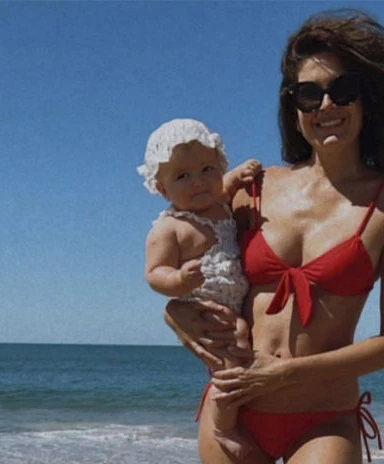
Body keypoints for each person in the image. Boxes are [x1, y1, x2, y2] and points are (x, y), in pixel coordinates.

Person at [163, 9, 384, 464]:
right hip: (235, 410)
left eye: (342, 90)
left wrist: (283, 374)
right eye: (309, 94)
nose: (326, 106)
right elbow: (191, 264)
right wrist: (174, 315)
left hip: (323, 417)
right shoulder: (253, 188)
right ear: (294, 105)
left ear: (367, 98)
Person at [138, 118, 262, 459]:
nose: (198, 182)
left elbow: (227, 185)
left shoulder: (218, 203)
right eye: (182, 176)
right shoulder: (171, 228)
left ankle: (240, 411)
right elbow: (154, 273)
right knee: (231, 360)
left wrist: (240, 174)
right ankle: (224, 426)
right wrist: (178, 280)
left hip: (233, 304)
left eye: (207, 169)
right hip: (205, 309)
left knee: (240, 349)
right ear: (162, 189)